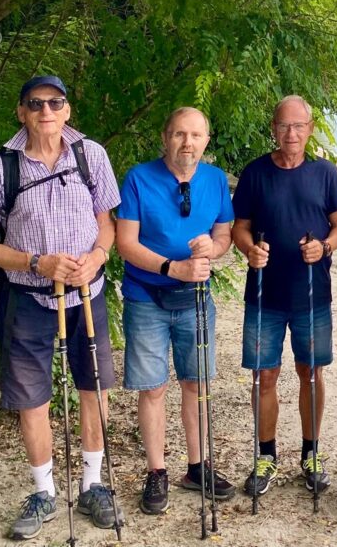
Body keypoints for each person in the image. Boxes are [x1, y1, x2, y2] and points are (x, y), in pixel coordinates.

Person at [0, 75, 121, 540]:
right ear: (21, 112)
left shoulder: (91, 155)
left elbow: (106, 225)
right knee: (33, 398)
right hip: (27, 296)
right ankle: (43, 492)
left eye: (55, 102)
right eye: (35, 103)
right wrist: (38, 262)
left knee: (94, 387)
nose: (46, 111)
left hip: (86, 293)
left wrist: (96, 257)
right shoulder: (0, 166)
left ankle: (92, 484)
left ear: (67, 109)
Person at [115, 107, 235, 514]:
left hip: (196, 299)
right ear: (165, 137)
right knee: (152, 388)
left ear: (206, 141)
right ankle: (156, 471)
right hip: (146, 296)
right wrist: (172, 268)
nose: (188, 143)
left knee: (196, 384)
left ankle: (197, 467)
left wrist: (212, 249)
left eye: (196, 136)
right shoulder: (139, 178)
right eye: (180, 134)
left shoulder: (215, 180)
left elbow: (224, 234)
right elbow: (126, 243)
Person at [232, 95, 337, 497]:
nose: (292, 133)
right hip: (264, 294)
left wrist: (325, 247)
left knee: (311, 373)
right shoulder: (255, 173)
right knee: (264, 375)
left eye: (299, 126)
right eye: (284, 125)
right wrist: (250, 249)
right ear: (273, 129)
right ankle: (266, 455)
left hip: (311, 294)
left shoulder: (325, 173)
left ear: (310, 129)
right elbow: (239, 227)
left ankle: (311, 453)